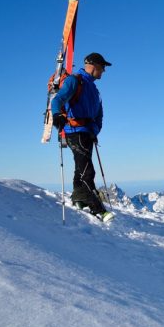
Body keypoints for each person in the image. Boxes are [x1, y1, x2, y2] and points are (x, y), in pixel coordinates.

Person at [51, 52, 112, 220]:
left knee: (81, 167)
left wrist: (95, 130)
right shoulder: (74, 81)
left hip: (87, 133)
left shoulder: (93, 88)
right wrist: (57, 116)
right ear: (93, 66)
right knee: (87, 171)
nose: (103, 72)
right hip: (74, 132)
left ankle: (78, 197)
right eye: (102, 68)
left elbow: (99, 113)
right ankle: (97, 209)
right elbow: (57, 100)